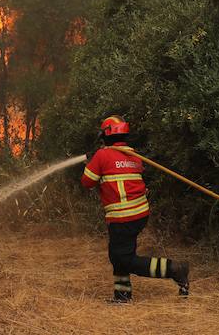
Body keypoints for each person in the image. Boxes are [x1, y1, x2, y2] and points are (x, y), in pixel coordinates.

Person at [81, 115, 190, 303]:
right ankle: (122, 295)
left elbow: (87, 182)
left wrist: (90, 163)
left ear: (106, 135)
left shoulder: (102, 155)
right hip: (138, 214)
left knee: (123, 259)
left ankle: (174, 269)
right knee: (119, 255)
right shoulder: (133, 155)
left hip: (123, 216)